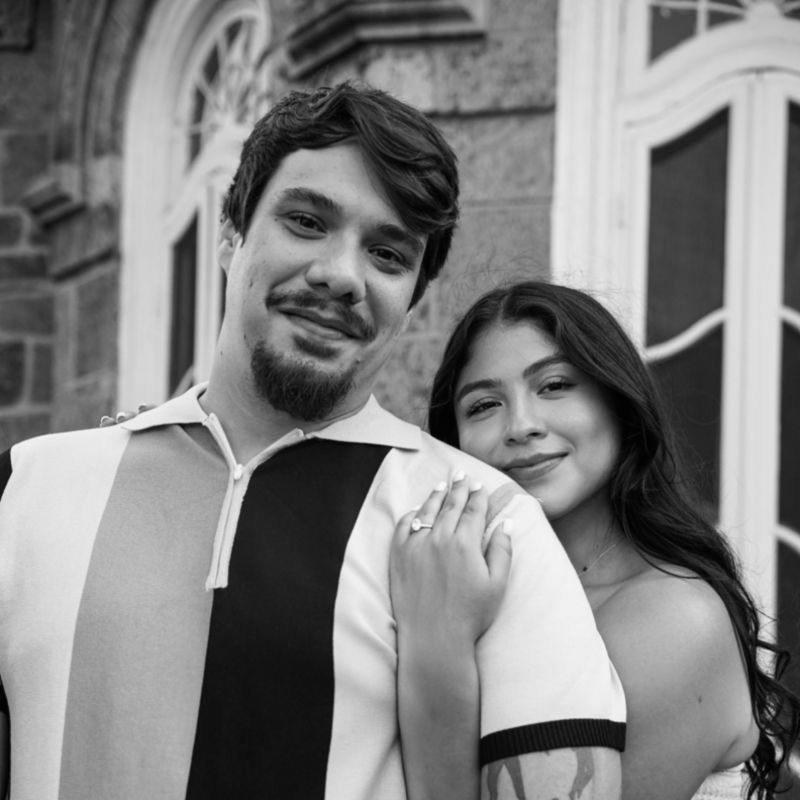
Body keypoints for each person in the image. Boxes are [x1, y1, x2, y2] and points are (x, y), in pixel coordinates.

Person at [0, 85, 626, 800]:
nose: (341, 274)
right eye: (306, 221)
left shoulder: (489, 526)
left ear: (412, 298)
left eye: (387, 254)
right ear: (230, 234)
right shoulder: (26, 490)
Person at [390, 280, 800, 800]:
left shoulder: (675, 619)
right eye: (484, 405)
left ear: (617, 401)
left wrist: (436, 645)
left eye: (555, 385)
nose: (521, 426)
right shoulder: (458, 584)